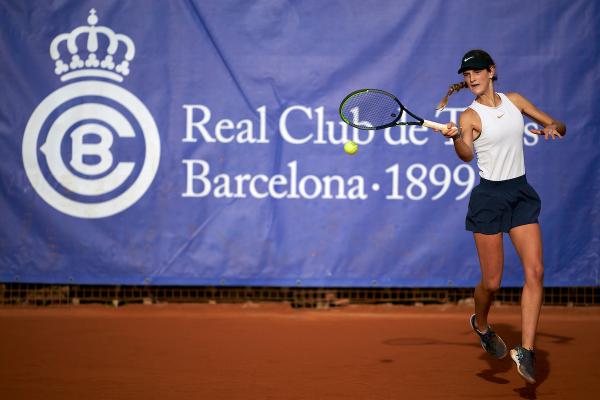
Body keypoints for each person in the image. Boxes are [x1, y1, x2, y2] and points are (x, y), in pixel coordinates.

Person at [435, 49, 566, 384]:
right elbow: (466, 155)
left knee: (535, 271)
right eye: (466, 75)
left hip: (520, 194)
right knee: (492, 282)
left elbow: (557, 123)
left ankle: (527, 350)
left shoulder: (516, 101)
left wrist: (552, 127)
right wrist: (456, 138)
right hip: (489, 199)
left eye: (477, 71)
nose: (472, 78)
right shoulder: (469, 116)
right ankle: (481, 323)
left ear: (491, 71)